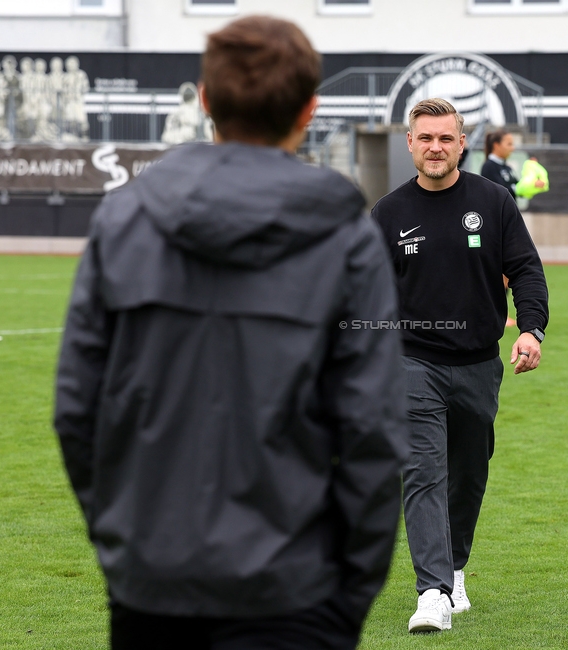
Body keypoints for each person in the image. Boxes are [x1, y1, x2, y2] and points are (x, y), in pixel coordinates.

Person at [54, 16, 409, 650]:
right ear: (310, 109)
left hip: (169, 583)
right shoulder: (347, 236)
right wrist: (350, 592)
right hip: (284, 590)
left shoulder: (124, 221)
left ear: (207, 99)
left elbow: (78, 411)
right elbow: (375, 431)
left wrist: (126, 541)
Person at [371, 98, 549, 634]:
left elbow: (526, 270)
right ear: (410, 143)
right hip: (412, 363)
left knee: (468, 476)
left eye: (445, 138)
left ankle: (454, 567)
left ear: (461, 143)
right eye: (425, 138)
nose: (435, 148)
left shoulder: (492, 203)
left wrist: (533, 329)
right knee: (423, 472)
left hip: (478, 364)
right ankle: (431, 594)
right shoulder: (388, 213)